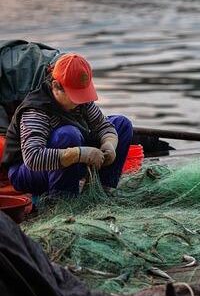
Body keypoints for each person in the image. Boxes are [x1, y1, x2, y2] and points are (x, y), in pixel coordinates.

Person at [0, 53, 133, 197]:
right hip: (28, 171)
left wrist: (109, 144)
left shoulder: (82, 101)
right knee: (68, 134)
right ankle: (62, 199)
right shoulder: (36, 111)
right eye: (75, 96)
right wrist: (78, 154)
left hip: (72, 158)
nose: (80, 101)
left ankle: (102, 190)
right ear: (56, 86)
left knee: (122, 124)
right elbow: (33, 158)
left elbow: (103, 125)